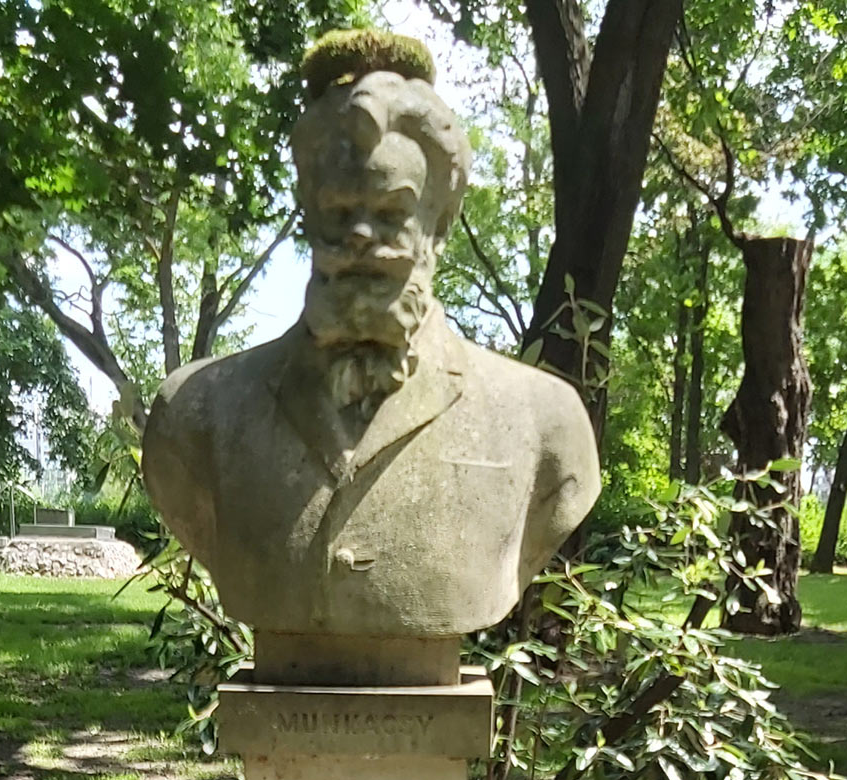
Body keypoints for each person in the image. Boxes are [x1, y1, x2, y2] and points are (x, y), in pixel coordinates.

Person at [142, 39, 600, 659]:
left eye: (390, 213)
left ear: (438, 223)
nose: (360, 236)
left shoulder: (544, 421)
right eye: (339, 211)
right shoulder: (195, 415)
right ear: (307, 210)